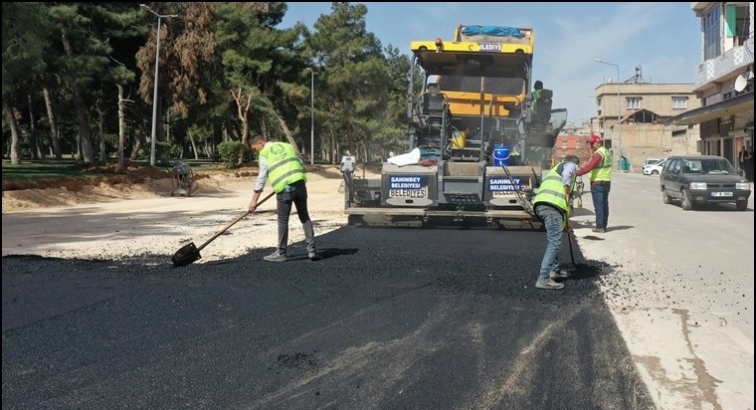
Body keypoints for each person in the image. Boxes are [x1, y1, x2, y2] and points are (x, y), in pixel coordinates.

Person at [248, 137, 321, 262]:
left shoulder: (265, 154)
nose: (256, 152)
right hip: (299, 184)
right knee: (304, 217)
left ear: (260, 143)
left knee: (283, 221)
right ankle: (312, 250)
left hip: (284, 189)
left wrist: (254, 200)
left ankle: (281, 253)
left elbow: (261, 178)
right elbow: (299, 163)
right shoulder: (286, 146)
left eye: (255, 149)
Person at [532, 155, 580, 290]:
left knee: (553, 240)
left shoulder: (554, 169)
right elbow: (566, 177)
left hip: (542, 206)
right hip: (551, 207)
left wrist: (566, 223)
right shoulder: (570, 165)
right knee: (554, 242)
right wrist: (567, 193)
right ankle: (543, 278)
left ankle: (555, 270)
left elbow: (560, 206)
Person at [576, 135, 612, 233]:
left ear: (598, 143)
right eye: (590, 143)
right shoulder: (606, 152)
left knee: (599, 205)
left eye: (592, 143)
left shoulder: (598, 154)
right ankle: (604, 225)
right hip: (606, 181)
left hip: (598, 182)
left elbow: (591, 166)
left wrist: (577, 173)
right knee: (604, 204)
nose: (591, 145)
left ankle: (600, 227)